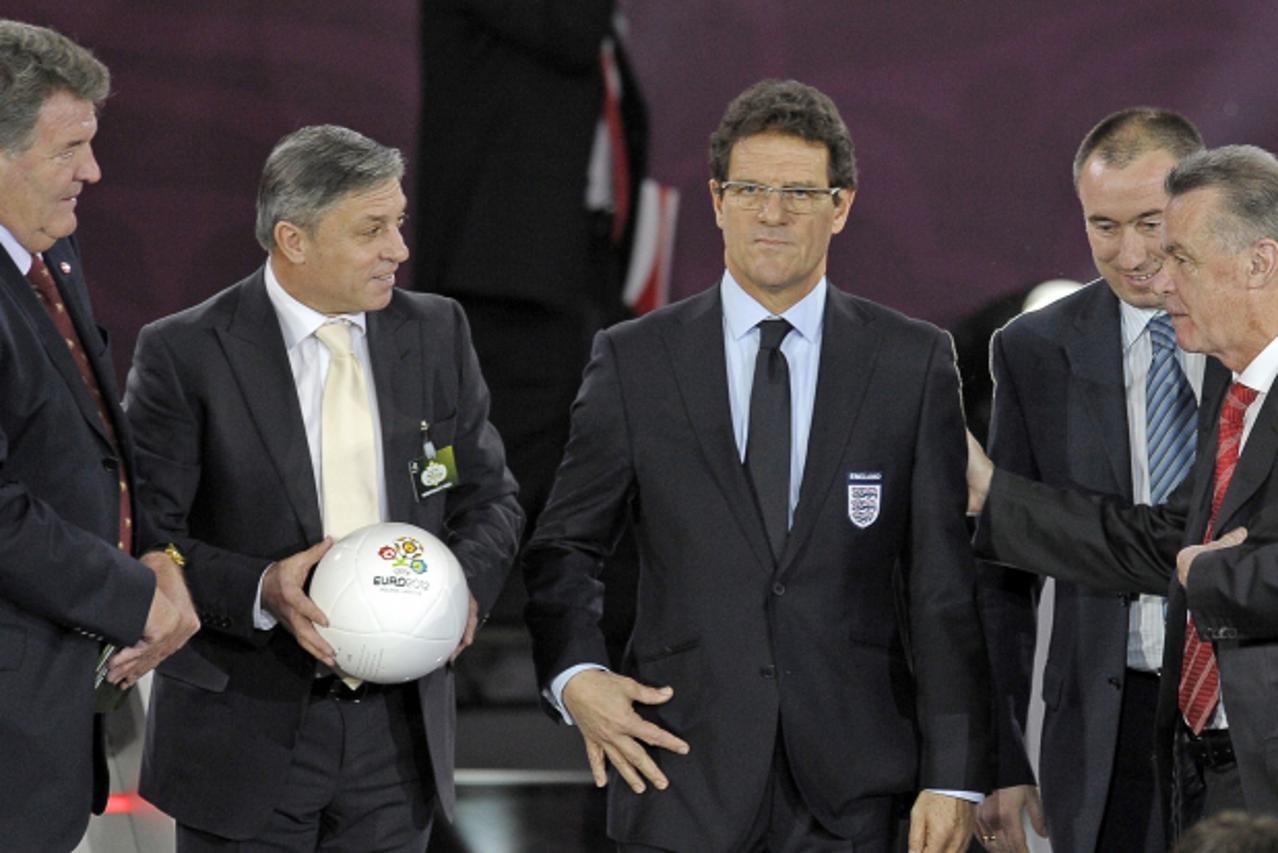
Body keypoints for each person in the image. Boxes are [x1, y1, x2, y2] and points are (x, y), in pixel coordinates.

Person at [523, 78, 991, 853]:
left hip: (857, 791)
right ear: (716, 198)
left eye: (799, 193)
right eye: (750, 189)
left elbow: (942, 587)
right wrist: (578, 678)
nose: (772, 214)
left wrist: (954, 774)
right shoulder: (635, 359)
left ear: (840, 206)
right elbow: (564, 546)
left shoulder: (912, 362)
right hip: (678, 772)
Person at [124, 125, 522, 850]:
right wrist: (264, 585)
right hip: (245, 734)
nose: (399, 248)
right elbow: (147, 532)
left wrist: (460, 588)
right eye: (373, 229)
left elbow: (489, 498)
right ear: (294, 239)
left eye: (398, 222)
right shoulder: (185, 353)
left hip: (395, 743)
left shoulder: (436, 331)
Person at [969, 144, 1278, 836]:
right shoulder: (1239, 397)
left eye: (1181, 258)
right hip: (1186, 756)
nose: (1158, 280)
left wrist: (1209, 571)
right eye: (1105, 224)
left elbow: (1193, 554)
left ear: (1260, 262)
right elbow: (1158, 534)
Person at [0, 19, 198, 851]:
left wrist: (158, 555)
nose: (93, 170)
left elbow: (94, 439)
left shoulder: (53, 252)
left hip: (46, 711)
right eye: (69, 147)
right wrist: (132, 596)